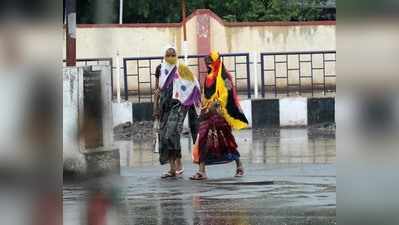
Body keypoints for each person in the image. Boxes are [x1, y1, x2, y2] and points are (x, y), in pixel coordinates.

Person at [190, 51, 249, 180]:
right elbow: (205, 94)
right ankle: (202, 171)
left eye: (210, 62)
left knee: (226, 140)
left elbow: (227, 93)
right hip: (207, 112)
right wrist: (204, 106)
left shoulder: (224, 76)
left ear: (216, 61)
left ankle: (239, 166)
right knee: (203, 139)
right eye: (207, 63)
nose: (208, 65)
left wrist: (216, 104)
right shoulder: (208, 77)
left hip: (220, 112)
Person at [154, 46, 201, 178]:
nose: (170, 57)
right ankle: (172, 168)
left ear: (176, 55)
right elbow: (157, 89)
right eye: (168, 54)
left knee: (171, 133)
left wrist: (188, 99)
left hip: (178, 106)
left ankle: (178, 164)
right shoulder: (160, 69)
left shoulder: (182, 68)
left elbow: (194, 84)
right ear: (164, 55)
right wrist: (156, 108)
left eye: (172, 54)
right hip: (164, 107)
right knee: (163, 137)